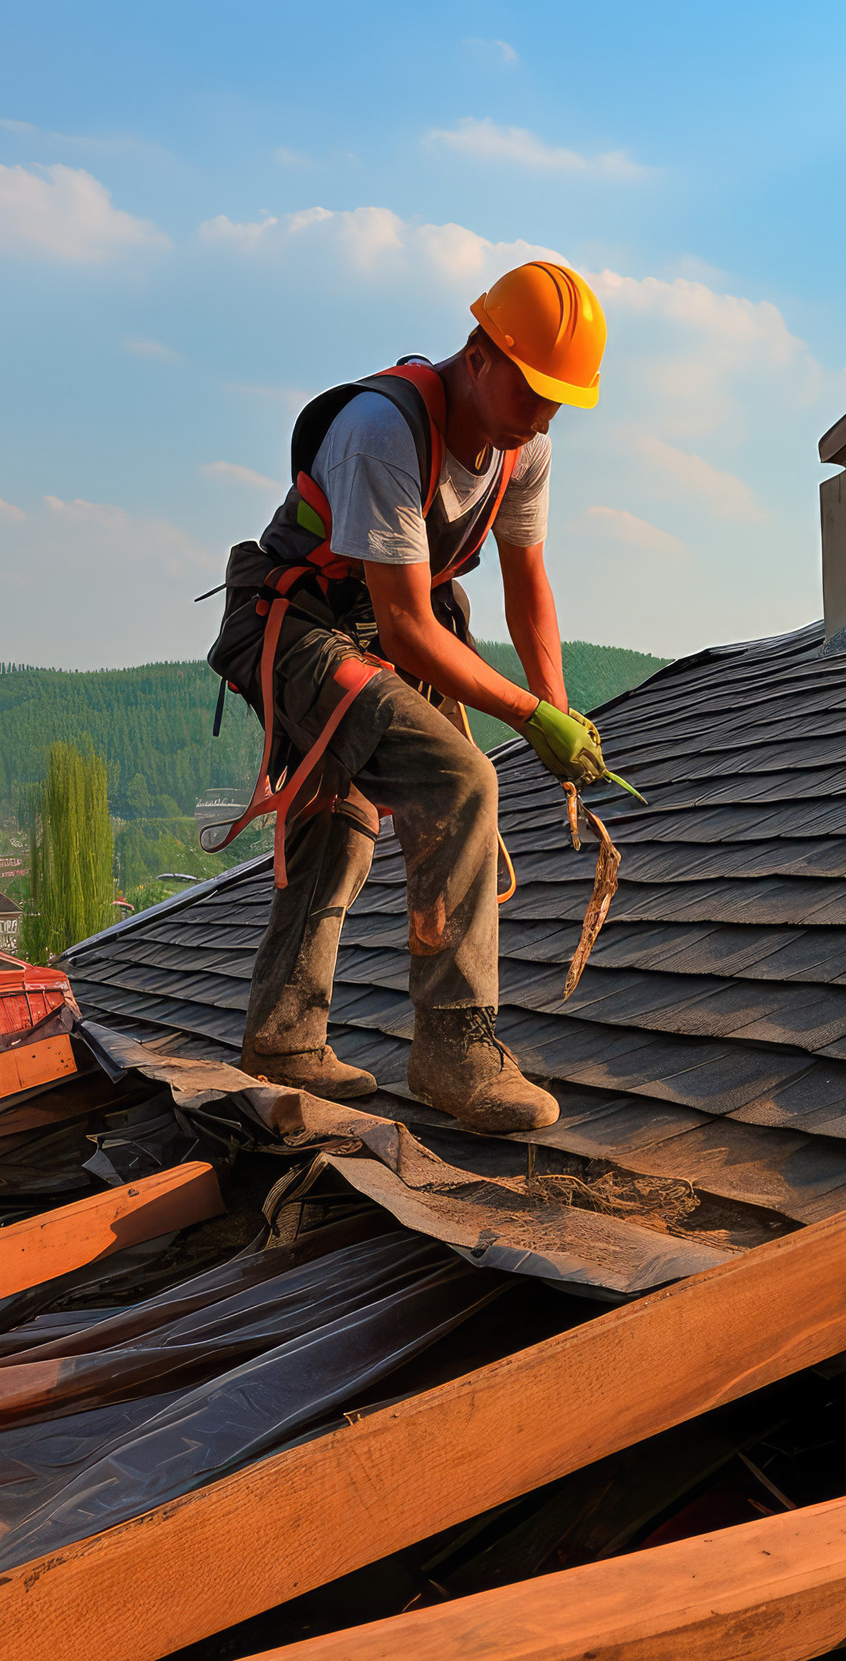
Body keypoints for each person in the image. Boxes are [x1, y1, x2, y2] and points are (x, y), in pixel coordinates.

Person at [204, 261, 624, 1134]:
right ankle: (455, 1053)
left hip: (373, 631)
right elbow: (404, 628)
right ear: (479, 354)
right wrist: (524, 720)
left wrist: (558, 706)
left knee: (342, 812)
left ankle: (281, 1038)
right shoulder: (381, 430)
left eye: (558, 399)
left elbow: (527, 584)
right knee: (458, 779)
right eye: (533, 390)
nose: (542, 415)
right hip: (297, 628)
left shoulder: (525, 449)